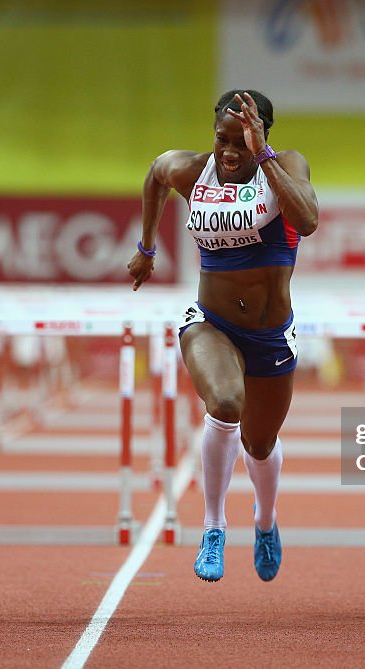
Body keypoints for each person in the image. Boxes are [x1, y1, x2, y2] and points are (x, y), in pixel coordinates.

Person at [129, 90, 318, 582]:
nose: (229, 152)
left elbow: (308, 220)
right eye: (222, 140)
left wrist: (264, 156)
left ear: (262, 135)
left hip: (271, 334)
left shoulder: (286, 166)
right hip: (211, 323)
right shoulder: (194, 171)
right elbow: (155, 174)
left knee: (260, 442)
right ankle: (214, 526)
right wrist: (146, 247)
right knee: (227, 404)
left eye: (241, 141)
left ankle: (265, 521)